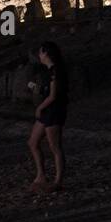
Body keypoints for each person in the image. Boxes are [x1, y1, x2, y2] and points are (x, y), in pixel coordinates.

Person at [28, 41, 68, 193]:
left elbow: (53, 95)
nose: (39, 55)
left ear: (46, 53)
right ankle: (41, 175)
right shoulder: (47, 71)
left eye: (41, 52)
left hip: (53, 110)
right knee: (32, 142)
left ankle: (58, 181)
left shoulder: (55, 71)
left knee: (55, 146)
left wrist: (40, 107)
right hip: (47, 110)